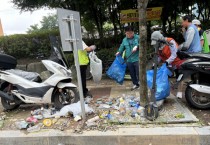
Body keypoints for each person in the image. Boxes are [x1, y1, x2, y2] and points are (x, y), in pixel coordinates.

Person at [116, 26, 139, 90]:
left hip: (137, 58)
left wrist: (137, 47)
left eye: (131, 33)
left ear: (133, 32)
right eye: (127, 33)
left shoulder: (138, 37)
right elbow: (121, 48)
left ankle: (141, 84)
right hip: (129, 59)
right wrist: (118, 52)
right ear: (125, 33)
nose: (129, 34)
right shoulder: (124, 40)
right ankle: (135, 84)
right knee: (132, 73)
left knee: (139, 72)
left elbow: (142, 45)